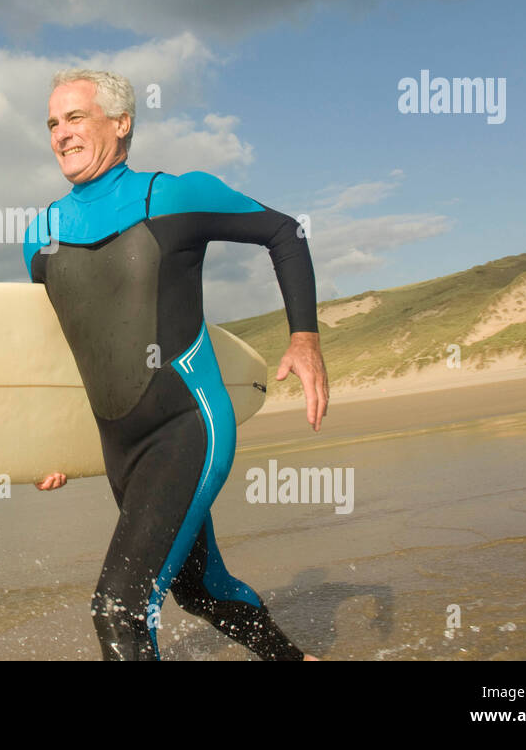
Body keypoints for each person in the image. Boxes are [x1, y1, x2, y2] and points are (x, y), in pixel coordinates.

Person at [22, 70, 328, 661]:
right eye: (53, 123)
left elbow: (284, 232)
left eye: (75, 117)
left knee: (120, 608)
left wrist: (305, 338)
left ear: (121, 123)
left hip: (187, 426)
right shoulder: (39, 238)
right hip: (120, 448)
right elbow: (61, 350)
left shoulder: (175, 196)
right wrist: (43, 443)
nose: (61, 134)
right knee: (198, 588)